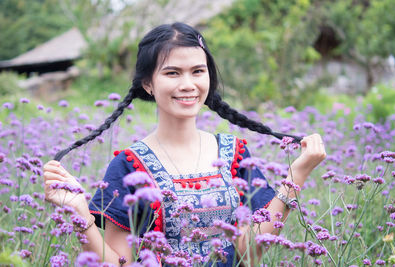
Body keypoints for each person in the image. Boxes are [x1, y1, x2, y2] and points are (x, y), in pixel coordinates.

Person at [43, 22, 326, 266]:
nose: (188, 84)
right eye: (172, 73)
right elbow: (120, 264)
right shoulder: (128, 166)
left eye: (198, 71)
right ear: (147, 84)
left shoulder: (235, 154)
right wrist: (78, 213)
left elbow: (248, 256)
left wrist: (296, 176)